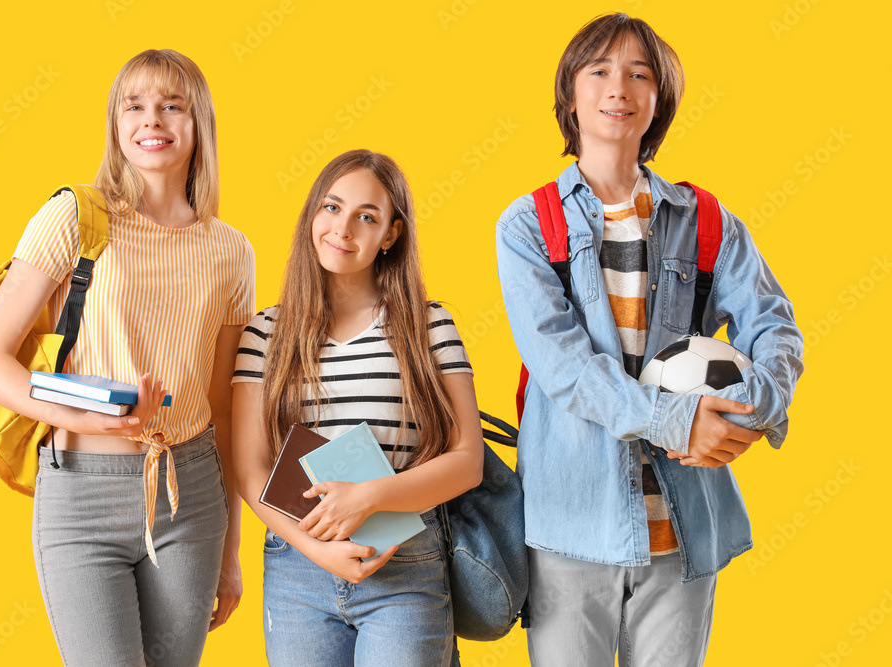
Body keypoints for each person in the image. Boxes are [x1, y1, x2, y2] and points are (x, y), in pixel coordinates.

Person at [495, 14, 803, 666]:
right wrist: (680, 422)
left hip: (685, 531)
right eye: (600, 70)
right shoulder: (528, 225)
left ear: (659, 99)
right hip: (570, 528)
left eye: (641, 74)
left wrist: (754, 406)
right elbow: (565, 367)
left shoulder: (709, 220)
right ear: (570, 94)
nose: (620, 87)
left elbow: (775, 326)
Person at [0, 49, 255, 666]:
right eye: (135, 106)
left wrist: (230, 555)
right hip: (81, 494)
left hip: (190, 493)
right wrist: (90, 419)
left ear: (199, 124)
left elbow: (224, 407)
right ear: (117, 127)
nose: (153, 120)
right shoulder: (74, 217)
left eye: (173, 106)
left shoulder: (231, 251)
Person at [232, 149, 483, 666]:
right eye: (331, 207)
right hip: (298, 563)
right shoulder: (264, 333)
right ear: (312, 215)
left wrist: (368, 498)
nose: (342, 228)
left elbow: (467, 460)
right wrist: (317, 549)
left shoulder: (428, 324)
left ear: (390, 234)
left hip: (405, 562)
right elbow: (251, 468)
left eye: (366, 217)